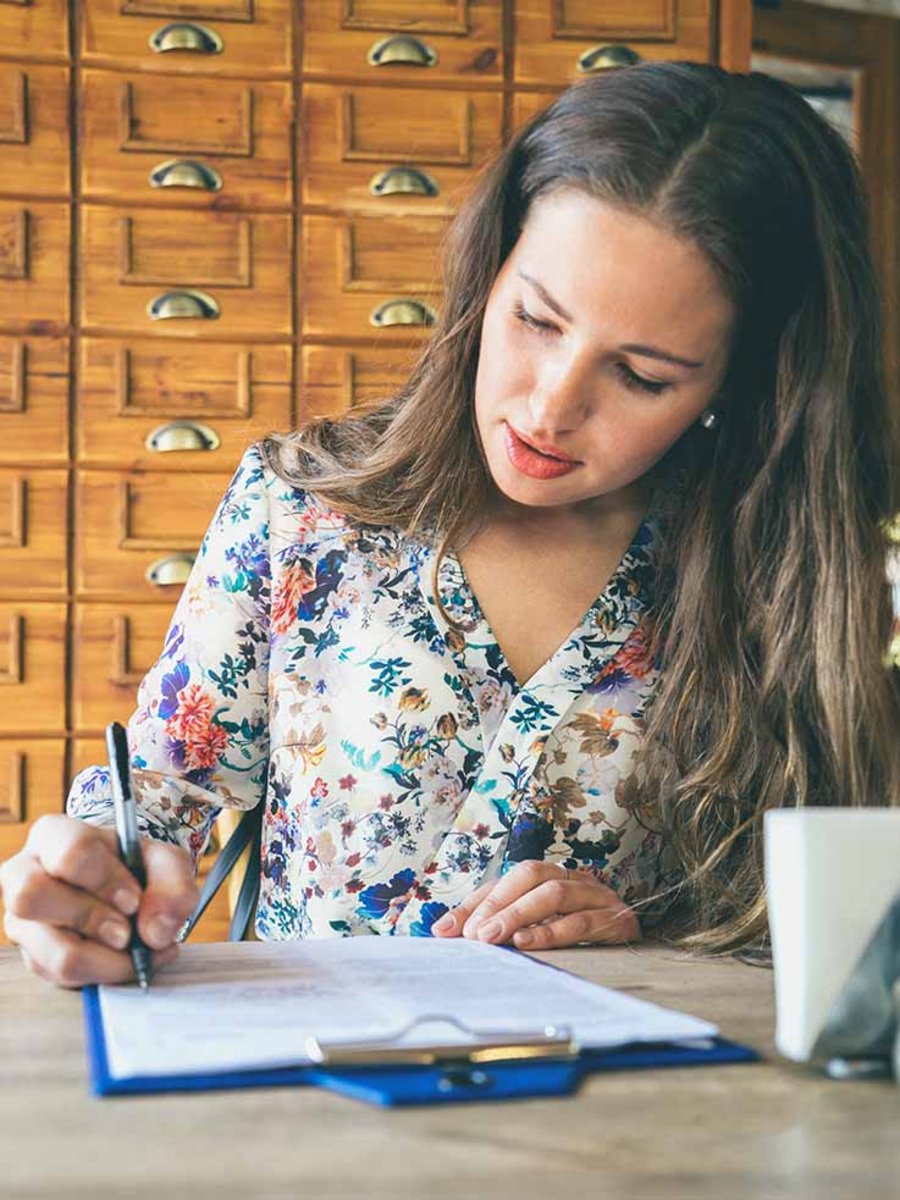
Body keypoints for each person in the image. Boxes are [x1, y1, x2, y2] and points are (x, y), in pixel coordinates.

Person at [2, 61, 898, 989]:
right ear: (490, 272)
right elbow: (163, 786)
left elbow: (828, 937)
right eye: (537, 321)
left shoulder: (782, 576)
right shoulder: (304, 499)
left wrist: (649, 935)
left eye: (643, 375)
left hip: (627, 1120)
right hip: (299, 1097)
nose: (551, 410)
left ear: (739, 385)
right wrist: (91, 874)